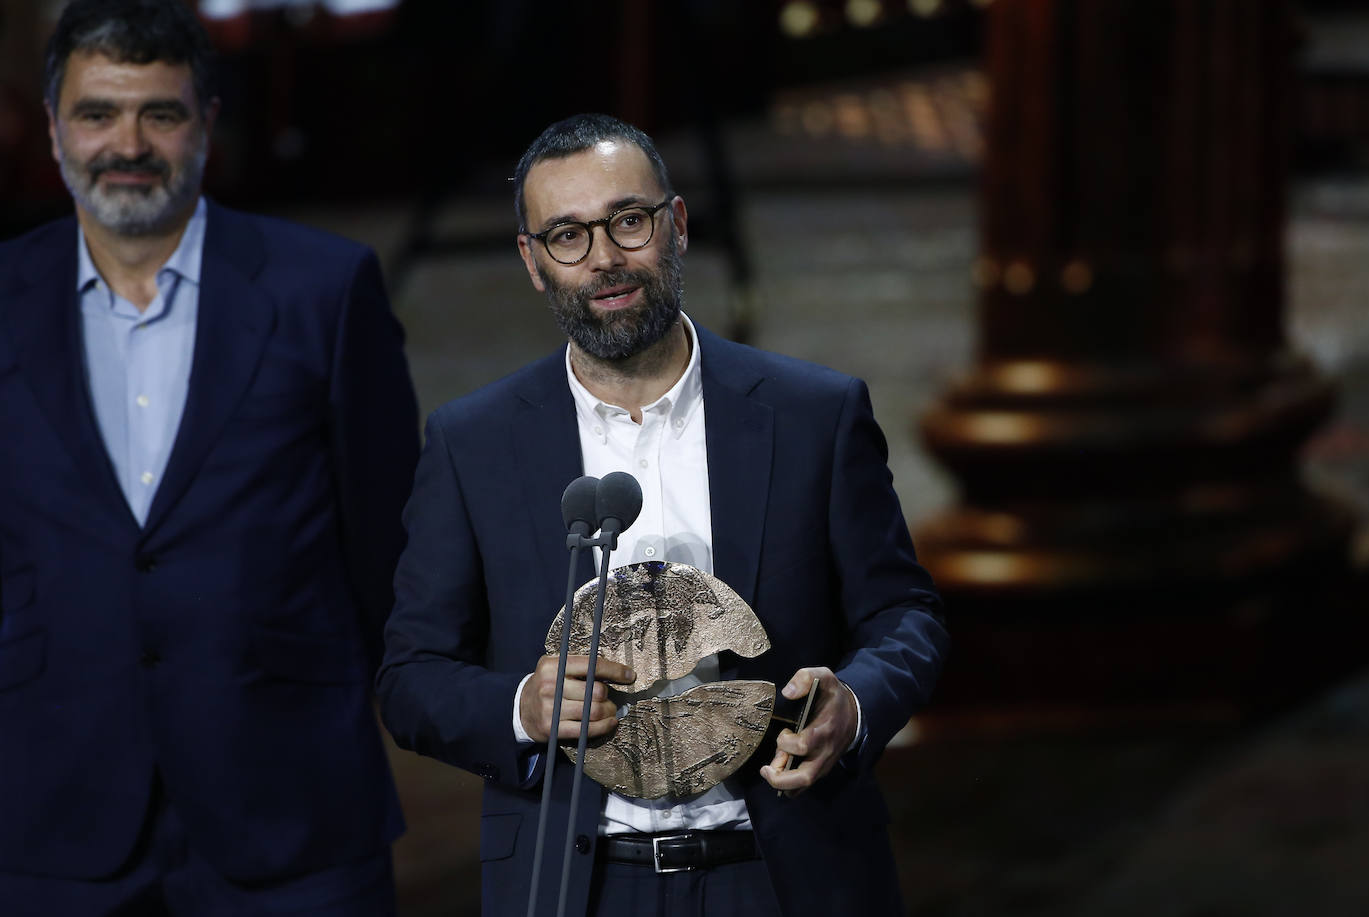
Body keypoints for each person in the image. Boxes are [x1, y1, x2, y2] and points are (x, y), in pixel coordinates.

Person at [377, 112, 948, 917]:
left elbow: (905, 615)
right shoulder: (474, 443)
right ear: (533, 262)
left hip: (787, 869)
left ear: (676, 224)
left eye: (629, 221)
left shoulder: (813, 413)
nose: (604, 258)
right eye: (567, 236)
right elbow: (410, 676)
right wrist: (524, 708)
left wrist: (853, 707)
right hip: (580, 883)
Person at [0, 1, 419, 913]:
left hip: (293, 809)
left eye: (161, 112)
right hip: (47, 812)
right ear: (52, 125)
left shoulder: (325, 288)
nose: (129, 143)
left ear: (208, 122)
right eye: (98, 113)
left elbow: (390, 548)